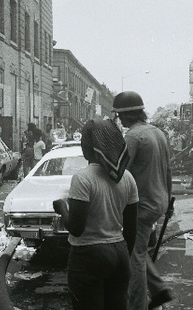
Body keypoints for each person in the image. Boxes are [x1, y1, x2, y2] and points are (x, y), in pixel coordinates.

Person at [53, 119, 138, 309]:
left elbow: (75, 228)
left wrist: (62, 208)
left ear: (91, 146)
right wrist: (124, 256)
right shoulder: (128, 178)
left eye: (84, 140)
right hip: (119, 252)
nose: (82, 144)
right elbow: (131, 228)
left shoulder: (83, 179)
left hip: (88, 255)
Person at [113, 91, 174, 309]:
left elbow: (120, 172)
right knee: (138, 248)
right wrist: (169, 200)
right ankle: (159, 288)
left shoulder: (133, 136)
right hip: (159, 201)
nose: (118, 119)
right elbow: (168, 169)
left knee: (134, 256)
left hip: (142, 205)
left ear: (127, 115)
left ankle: (138, 304)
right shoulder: (158, 133)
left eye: (119, 115)